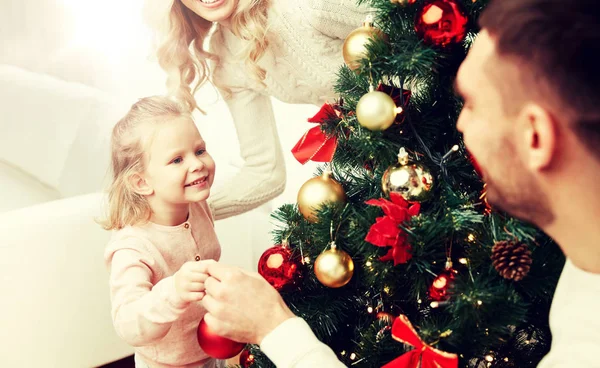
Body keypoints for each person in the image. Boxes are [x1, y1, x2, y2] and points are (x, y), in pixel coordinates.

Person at [199, 0, 600, 366]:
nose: (459, 122)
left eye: (472, 105)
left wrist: (275, 328)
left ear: (535, 137)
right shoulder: (583, 275)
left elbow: (395, 33)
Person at [143, 0, 373, 220]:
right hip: (378, 150)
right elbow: (265, 172)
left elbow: (401, 23)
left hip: (402, 118)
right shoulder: (224, 56)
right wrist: (177, 210)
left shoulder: (306, 5)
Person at [101, 96, 224, 368]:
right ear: (142, 182)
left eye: (200, 150)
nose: (197, 164)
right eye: (177, 159)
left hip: (212, 354)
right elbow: (128, 323)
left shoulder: (197, 205)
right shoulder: (133, 248)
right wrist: (175, 290)